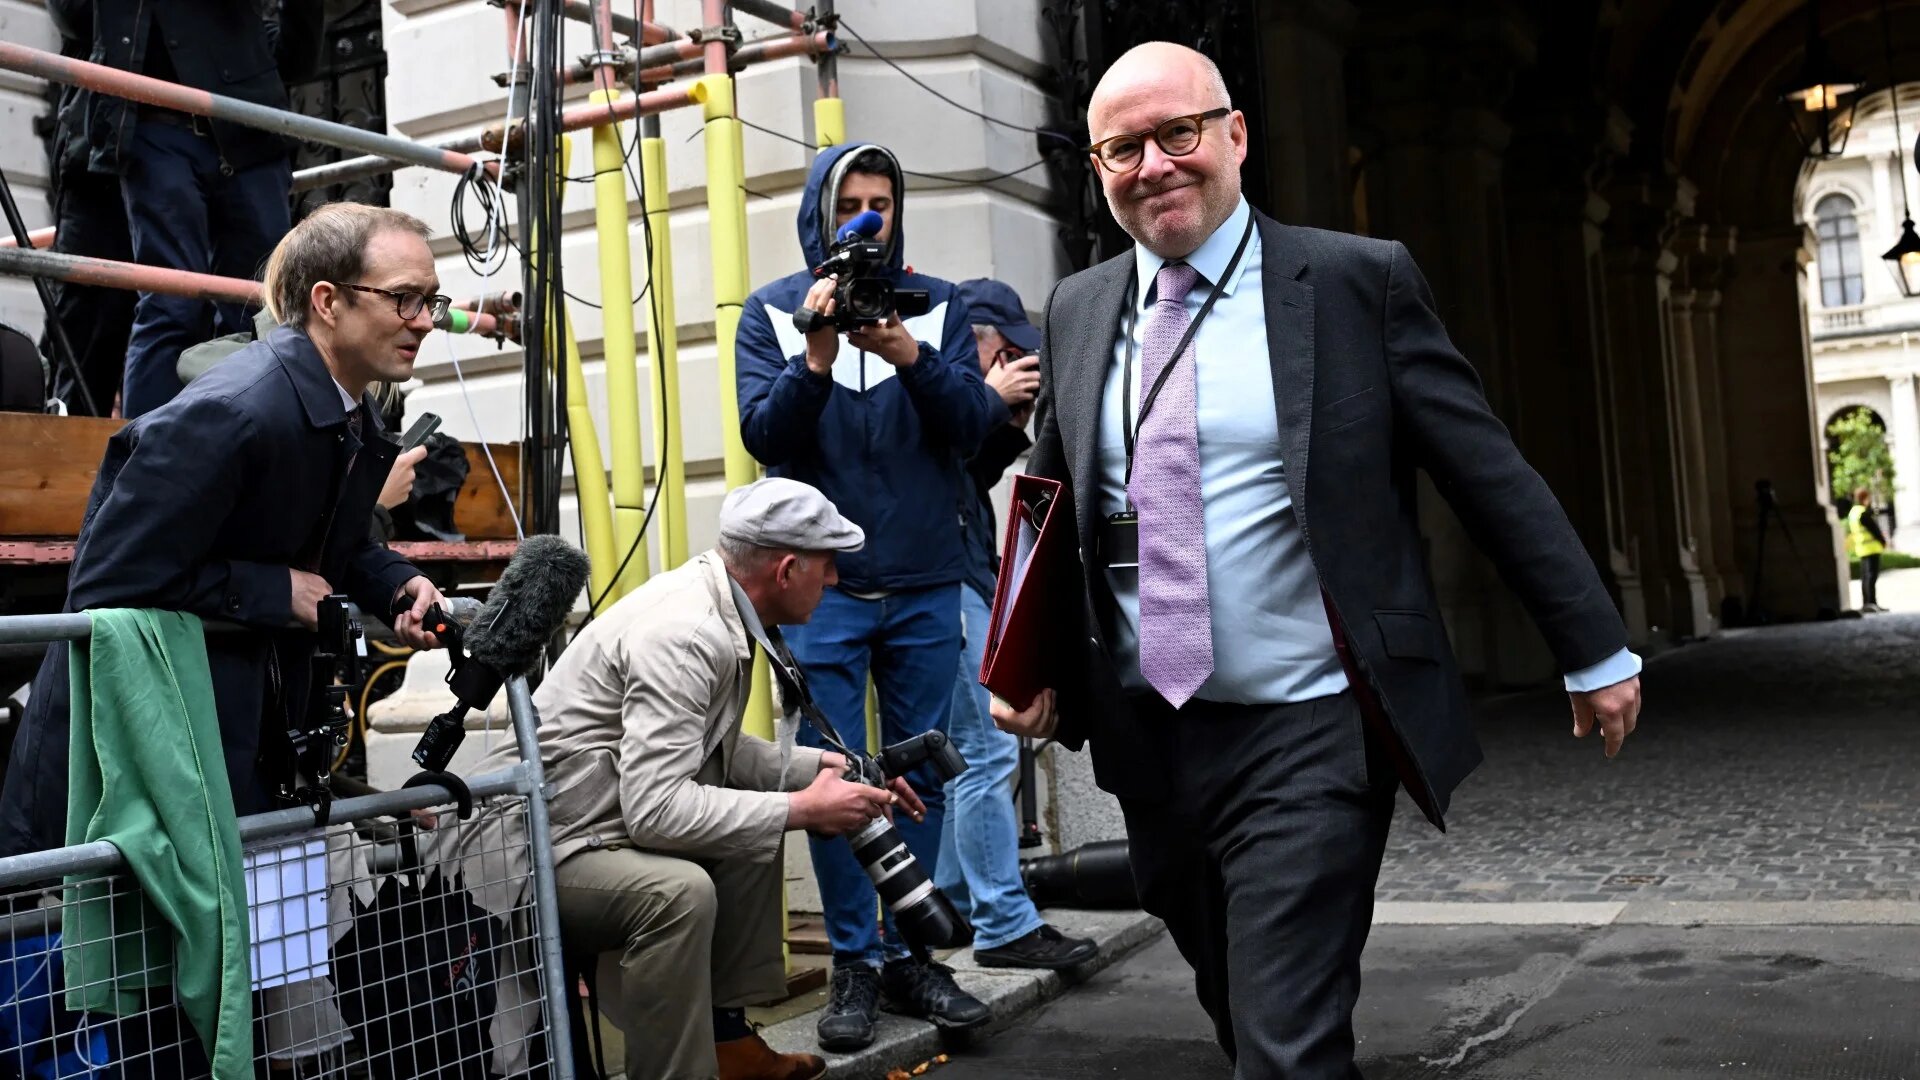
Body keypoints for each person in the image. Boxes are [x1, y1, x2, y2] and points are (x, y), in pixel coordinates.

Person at [991, 43, 1646, 1078]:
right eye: (1123, 147)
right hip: (1149, 740)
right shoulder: (1079, 309)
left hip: (1311, 726)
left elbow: (1486, 470)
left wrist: (1594, 647)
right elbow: (1053, 503)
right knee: (1242, 1010)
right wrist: (1023, 661)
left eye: (1180, 134)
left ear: (1235, 135)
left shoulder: (1353, 282)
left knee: (1287, 1044)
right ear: (1097, 166)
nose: (1154, 164)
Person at [0, 201, 450, 859]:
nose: (425, 322)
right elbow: (108, 579)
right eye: (405, 300)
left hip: (231, 748)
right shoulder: (235, 412)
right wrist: (274, 591)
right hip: (141, 775)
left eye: (431, 301)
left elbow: (336, 542)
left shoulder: (348, 408)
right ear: (328, 301)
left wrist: (397, 585)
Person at [471, 477, 911, 1080]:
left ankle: (727, 1043)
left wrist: (824, 769)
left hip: (594, 823)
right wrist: (804, 808)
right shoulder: (690, 634)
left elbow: (712, 751)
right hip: (539, 855)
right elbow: (656, 809)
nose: (834, 580)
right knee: (678, 893)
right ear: (786, 570)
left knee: (754, 821)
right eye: (828, 564)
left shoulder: (719, 602)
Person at [734, 144, 1001, 1050]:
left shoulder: (939, 303)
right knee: (835, 778)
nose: (869, 218)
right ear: (819, 209)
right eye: (851, 201)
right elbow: (764, 438)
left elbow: (975, 427)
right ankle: (854, 960)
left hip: (926, 580)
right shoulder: (772, 310)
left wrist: (907, 351)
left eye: (883, 201)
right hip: (825, 593)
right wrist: (813, 355)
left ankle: (910, 957)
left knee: (919, 771)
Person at [935, 278, 1097, 970]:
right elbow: (937, 476)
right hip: (945, 580)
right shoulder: (934, 389)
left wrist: (1002, 421)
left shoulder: (962, 400)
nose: (1023, 366)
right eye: (1011, 353)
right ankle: (1002, 920)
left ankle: (951, 906)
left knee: (958, 755)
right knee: (986, 751)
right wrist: (988, 408)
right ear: (983, 344)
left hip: (965, 574)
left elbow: (968, 477)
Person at [80, 0, 325, 417]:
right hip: (155, 129)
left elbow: (297, 59)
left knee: (259, 305)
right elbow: (72, 16)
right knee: (170, 301)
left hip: (248, 136)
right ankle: (145, 456)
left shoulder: (248, 29)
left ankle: (246, 444)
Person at [40, 0, 136, 417]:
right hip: (98, 160)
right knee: (88, 333)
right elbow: (74, 14)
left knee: (180, 322)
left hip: (184, 153)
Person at [1847, 486, 1888, 612]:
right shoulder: (1863, 512)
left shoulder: (1853, 512)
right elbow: (1874, 529)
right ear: (1864, 498)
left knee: (1865, 578)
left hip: (1862, 548)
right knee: (1871, 578)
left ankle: (1867, 603)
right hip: (1871, 548)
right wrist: (1883, 541)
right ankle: (1871, 603)